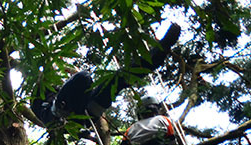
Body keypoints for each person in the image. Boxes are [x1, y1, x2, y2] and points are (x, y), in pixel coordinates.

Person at [31, 23, 181, 124]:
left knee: (119, 78)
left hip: (89, 107)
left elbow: (78, 84)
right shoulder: (38, 93)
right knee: (84, 77)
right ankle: (65, 110)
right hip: (64, 113)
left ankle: (162, 48)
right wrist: (51, 62)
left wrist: (69, 69)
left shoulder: (61, 87)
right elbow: (43, 113)